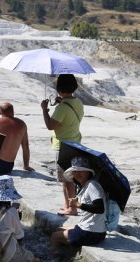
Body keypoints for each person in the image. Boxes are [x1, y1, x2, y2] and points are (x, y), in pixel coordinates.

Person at [40, 74, 84, 216]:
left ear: (59, 88)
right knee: (68, 179)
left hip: (64, 146)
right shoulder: (77, 102)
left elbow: (50, 125)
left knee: (67, 179)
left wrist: (44, 110)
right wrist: (62, 102)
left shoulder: (62, 108)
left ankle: (72, 208)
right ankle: (67, 205)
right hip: (75, 143)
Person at [51, 157, 107, 248]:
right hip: (91, 229)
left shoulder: (92, 185)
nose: (77, 174)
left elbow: (100, 208)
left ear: (88, 172)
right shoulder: (85, 186)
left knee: (54, 237)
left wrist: (79, 205)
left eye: (81, 171)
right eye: (75, 171)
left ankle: (53, 259)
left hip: (91, 233)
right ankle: (63, 255)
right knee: (58, 229)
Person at [0, 102, 31, 177]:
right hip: (8, 166)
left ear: (0, 112)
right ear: (13, 112)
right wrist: (26, 166)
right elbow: (25, 146)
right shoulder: (22, 124)